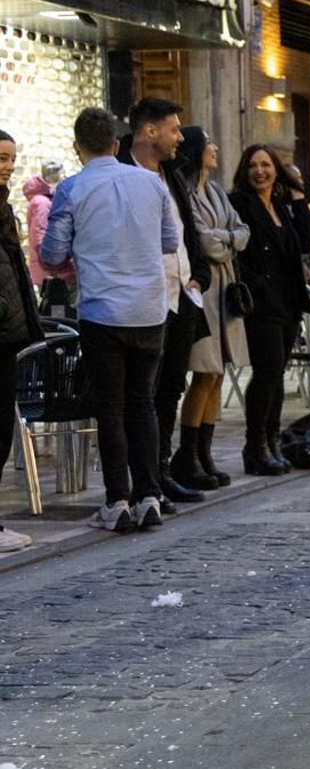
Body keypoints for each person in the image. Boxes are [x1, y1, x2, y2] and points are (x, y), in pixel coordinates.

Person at [41, 108, 179, 532]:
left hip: (102, 311)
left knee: (111, 407)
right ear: (116, 145)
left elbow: (51, 255)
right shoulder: (151, 184)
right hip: (149, 310)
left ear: (78, 146)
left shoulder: (71, 189)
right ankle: (150, 495)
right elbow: (170, 241)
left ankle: (117, 499)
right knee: (143, 403)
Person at [119, 98, 211, 509]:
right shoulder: (120, 172)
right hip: (143, 299)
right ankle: (144, 483)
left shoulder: (171, 173)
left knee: (172, 387)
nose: (180, 138)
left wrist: (200, 273)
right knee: (144, 393)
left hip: (182, 294)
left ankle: (162, 470)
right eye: (174, 129)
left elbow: (186, 228)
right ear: (150, 131)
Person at [171, 127, 250, 491]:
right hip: (203, 289)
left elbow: (241, 230)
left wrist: (228, 241)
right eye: (209, 142)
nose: (215, 147)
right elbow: (203, 241)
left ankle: (205, 452)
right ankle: (187, 455)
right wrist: (230, 242)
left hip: (227, 288)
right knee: (203, 372)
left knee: (218, 374)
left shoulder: (216, 191)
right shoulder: (184, 191)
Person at [229, 145, 310, 475]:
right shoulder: (239, 203)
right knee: (267, 372)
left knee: (278, 373)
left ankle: (273, 439)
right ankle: (255, 445)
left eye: (265, 165)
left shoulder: (280, 204)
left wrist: (298, 196)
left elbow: (304, 240)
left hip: (288, 300)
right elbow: (239, 255)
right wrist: (256, 285)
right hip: (262, 302)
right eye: (252, 165)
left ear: (277, 169)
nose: (259, 171)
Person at [0, 130, 45, 551]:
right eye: (1, 158)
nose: (8, 167)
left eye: (11, 158)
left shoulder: (5, 207)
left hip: (8, 334)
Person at [24, 163, 74, 315]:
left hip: (53, 271)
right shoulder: (43, 203)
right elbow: (41, 239)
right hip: (56, 273)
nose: (65, 179)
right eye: (63, 175)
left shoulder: (44, 201)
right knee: (61, 315)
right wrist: (58, 263)